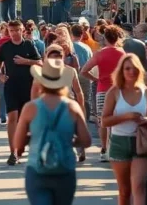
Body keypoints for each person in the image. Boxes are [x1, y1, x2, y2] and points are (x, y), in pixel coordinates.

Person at [15, 55, 91, 205]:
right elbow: (86, 141)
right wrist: (68, 140)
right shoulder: (72, 107)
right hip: (65, 168)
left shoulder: (31, 108)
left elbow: (18, 142)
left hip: (37, 168)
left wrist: (34, 138)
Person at [101, 53, 147, 205]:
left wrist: (146, 120)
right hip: (119, 143)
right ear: (121, 71)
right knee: (124, 191)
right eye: (127, 68)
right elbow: (104, 121)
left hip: (141, 143)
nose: (131, 71)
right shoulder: (114, 92)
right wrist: (127, 116)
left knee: (139, 186)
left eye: (134, 68)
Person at [0, 19, 42, 165]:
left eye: (17, 30)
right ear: (8, 32)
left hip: (28, 87)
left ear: (22, 30)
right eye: (11, 31)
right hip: (11, 86)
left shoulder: (29, 45)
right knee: (12, 118)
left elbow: (40, 62)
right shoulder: (5, 47)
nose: (14, 33)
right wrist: (0, 75)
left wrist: (25, 61)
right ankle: (13, 153)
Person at [80, 25, 126, 162]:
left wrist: (96, 79)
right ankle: (115, 148)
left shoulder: (100, 54)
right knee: (116, 119)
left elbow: (83, 71)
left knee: (102, 121)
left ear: (105, 38)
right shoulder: (123, 54)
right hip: (118, 90)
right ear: (117, 38)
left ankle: (104, 149)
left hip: (102, 89)